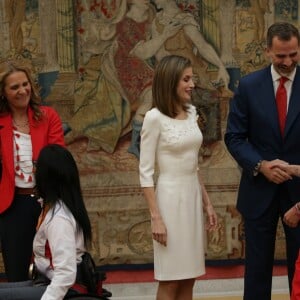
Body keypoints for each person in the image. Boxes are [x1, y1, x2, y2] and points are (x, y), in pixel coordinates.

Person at [224, 22, 300, 299]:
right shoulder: (248, 86)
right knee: (256, 273)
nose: (288, 61)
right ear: (268, 51)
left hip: (299, 194)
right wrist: (261, 166)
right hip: (259, 191)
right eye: (281, 56)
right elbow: (234, 137)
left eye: (293, 54)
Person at [139, 55, 218, 300]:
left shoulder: (192, 111)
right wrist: (156, 218)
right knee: (171, 279)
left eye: (191, 78)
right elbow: (145, 173)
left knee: (189, 277)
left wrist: (207, 203)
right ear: (170, 81)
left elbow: (194, 165)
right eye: (186, 79)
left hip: (192, 198)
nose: (192, 84)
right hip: (169, 202)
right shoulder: (154, 118)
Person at [0, 60, 65, 281]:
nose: (22, 91)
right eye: (14, 87)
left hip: (48, 202)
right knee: (17, 273)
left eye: (25, 84)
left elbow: (58, 162)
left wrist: (50, 203)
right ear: (4, 93)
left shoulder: (48, 116)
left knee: (54, 272)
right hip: (12, 206)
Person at [0, 144, 92, 299]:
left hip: (66, 289)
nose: (34, 169)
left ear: (47, 176)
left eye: (37, 165)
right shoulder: (50, 206)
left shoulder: (60, 219)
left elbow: (65, 275)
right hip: (47, 280)